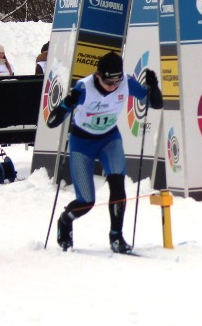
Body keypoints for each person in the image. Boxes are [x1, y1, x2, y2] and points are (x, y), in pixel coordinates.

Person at [45, 51, 162, 253]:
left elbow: (155, 103)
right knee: (87, 201)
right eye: (109, 82)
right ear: (98, 75)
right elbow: (52, 122)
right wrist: (67, 103)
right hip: (82, 143)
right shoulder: (84, 87)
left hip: (109, 139)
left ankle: (116, 236)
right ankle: (65, 220)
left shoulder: (126, 82)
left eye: (116, 82)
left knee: (118, 184)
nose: (113, 86)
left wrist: (153, 87)